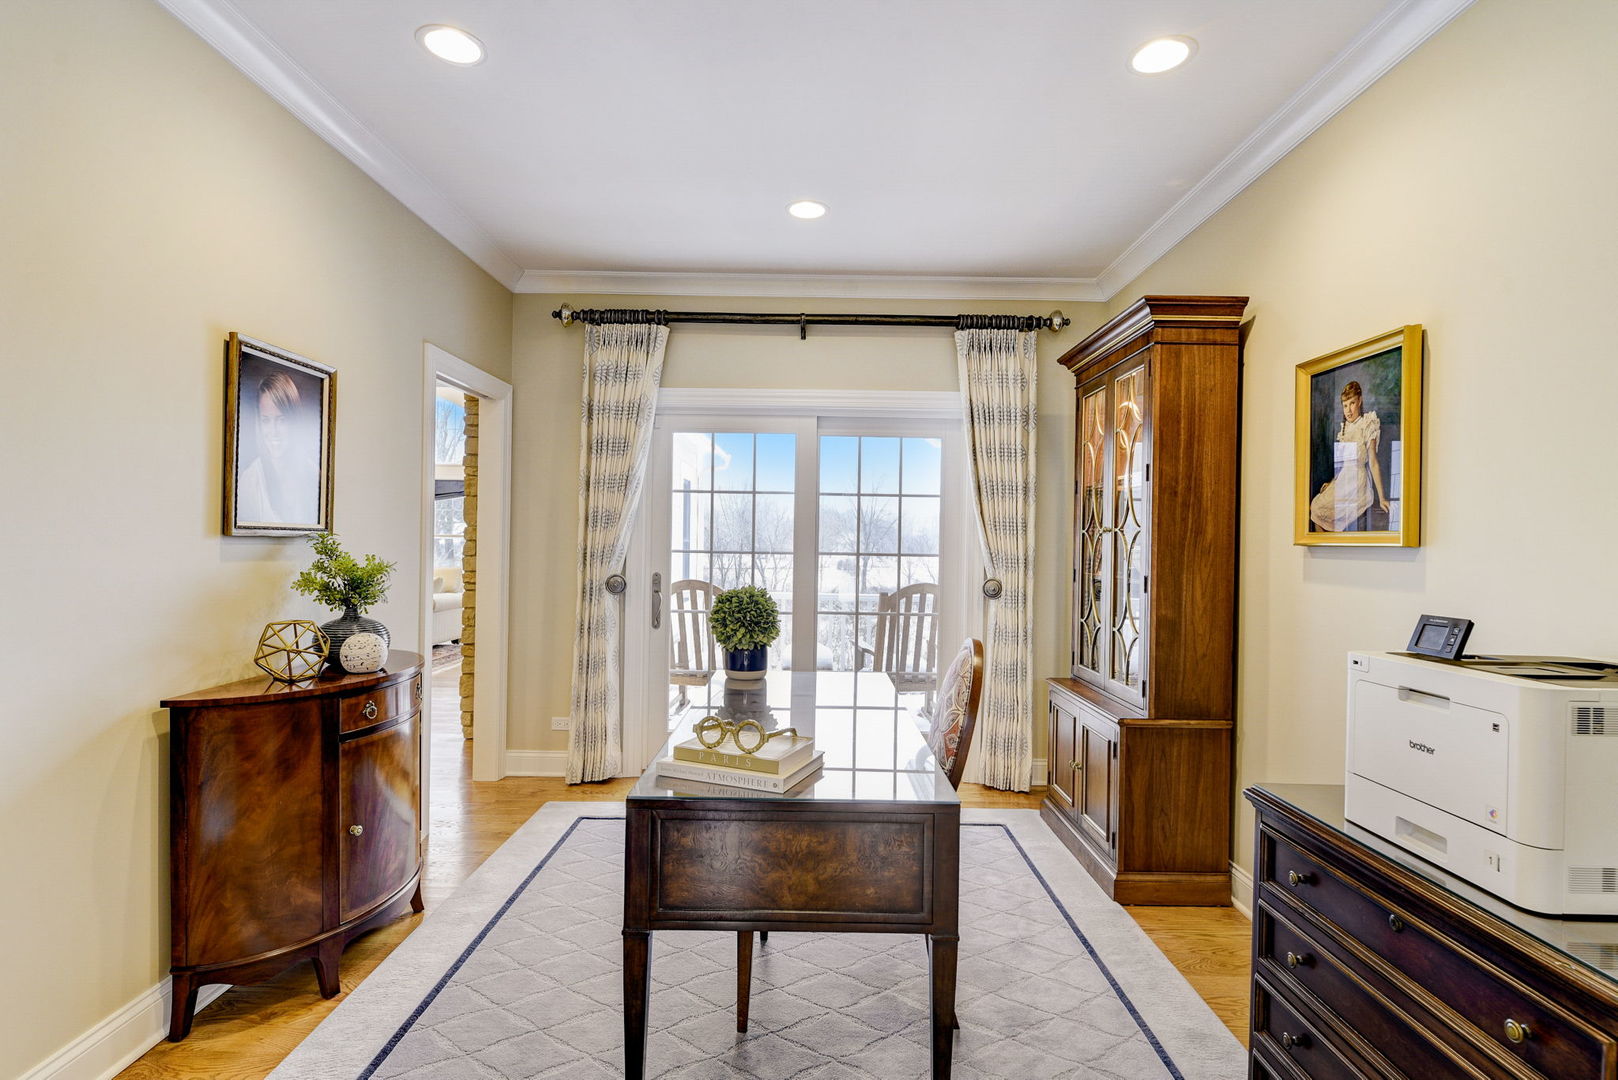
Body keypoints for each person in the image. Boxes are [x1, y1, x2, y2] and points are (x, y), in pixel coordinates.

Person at [237, 369, 319, 524]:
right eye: (266, 421)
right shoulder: (250, 482)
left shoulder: (314, 475)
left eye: (281, 420)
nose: (273, 432)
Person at [1309, 380, 1389, 531]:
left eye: (1352, 403)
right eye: (1345, 405)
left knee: (1320, 508)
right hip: (1343, 480)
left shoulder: (1367, 424)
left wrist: (1382, 497)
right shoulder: (1344, 429)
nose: (1348, 410)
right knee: (1316, 506)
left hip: (1357, 483)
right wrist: (1332, 483)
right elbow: (1343, 465)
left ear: (1360, 401)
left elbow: (1373, 462)